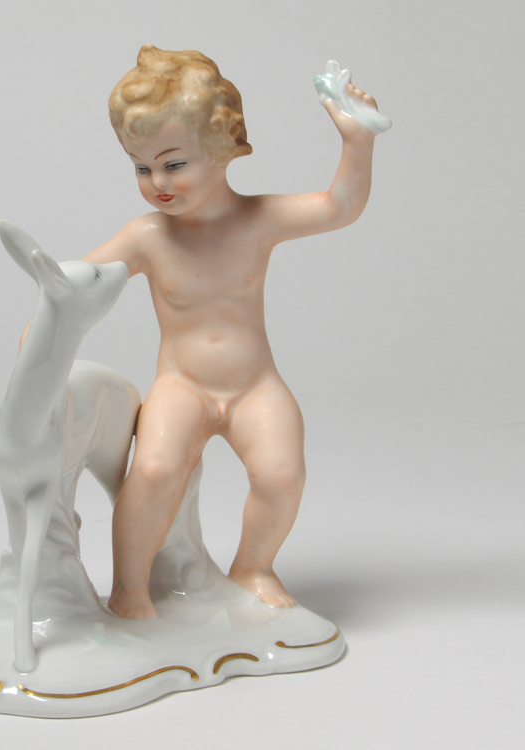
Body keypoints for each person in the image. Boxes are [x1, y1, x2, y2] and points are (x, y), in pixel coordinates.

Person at [36, 44, 382, 618]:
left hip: (254, 386)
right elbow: (78, 285)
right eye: (141, 167)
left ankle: (253, 568)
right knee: (153, 471)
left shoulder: (259, 219)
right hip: (184, 387)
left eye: (173, 164)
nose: (157, 182)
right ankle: (129, 590)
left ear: (221, 150)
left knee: (282, 475)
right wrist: (44, 326)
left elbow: (338, 207)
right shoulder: (147, 236)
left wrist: (358, 139)